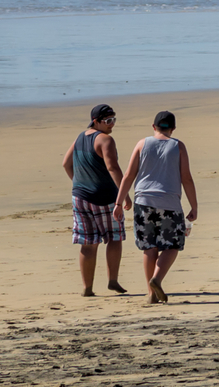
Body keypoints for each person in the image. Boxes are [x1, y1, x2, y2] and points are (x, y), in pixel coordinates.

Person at [118, 111, 198, 305]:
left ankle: (151, 294)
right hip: (169, 203)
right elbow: (186, 178)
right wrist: (194, 206)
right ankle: (157, 279)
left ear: (153, 127)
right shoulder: (178, 146)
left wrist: (118, 202)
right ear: (173, 129)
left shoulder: (142, 144)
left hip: (143, 202)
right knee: (172, 245)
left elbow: (128, 175)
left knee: (149, 247)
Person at [62, 104, 128, 296]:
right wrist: (124, 196)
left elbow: (66, 164)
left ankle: (87, 288)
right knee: (114, 238)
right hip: (104, 197)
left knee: (88, 243)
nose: (112, 125)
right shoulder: (106, 140)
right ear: (96, 121)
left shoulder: (80, 137)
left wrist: (79, 183)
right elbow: (113, 168)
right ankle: (112, 280)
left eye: (114, 120)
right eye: (108, 121)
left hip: (80, 197)